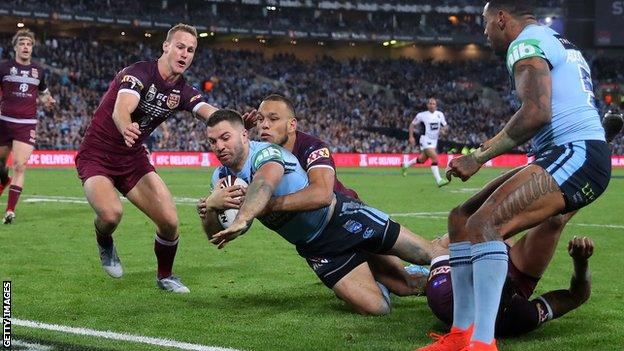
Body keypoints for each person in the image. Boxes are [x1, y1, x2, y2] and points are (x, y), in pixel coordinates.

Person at [418, 2, 611, 351]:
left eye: (485, 23)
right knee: (461, 220)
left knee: (486, 226)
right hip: (564, 152)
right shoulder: (555, 40)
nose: (485, 31)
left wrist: (478, 157)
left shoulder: (525, 44)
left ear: (502, 17)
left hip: (575, 152)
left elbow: (536, 112)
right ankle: (460, 334)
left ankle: (482, 342)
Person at [199, 109, 442, 315]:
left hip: (340, 217)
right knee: (378, 307)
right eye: (213, 141)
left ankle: (456, 263)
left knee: (426, 254)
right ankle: (377, 271)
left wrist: (243, 216)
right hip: (317, 248)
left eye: (225, 137)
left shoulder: (265, 153)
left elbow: (264, 184)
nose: (219, 146)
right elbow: (217, 235)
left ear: (243, 134)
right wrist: (211, 207)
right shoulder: (220, 178)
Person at [75, 24, 219, 293]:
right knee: (110, 214)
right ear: (166, 46)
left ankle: (165, 276)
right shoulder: (138, 73)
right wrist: (125, 126)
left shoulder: (183, 90)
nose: (185, 54)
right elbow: (121, 109)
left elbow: (208, 111)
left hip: (132, 159)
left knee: (169, 221)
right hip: (98, 155)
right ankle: (104, 240)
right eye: (180, 46)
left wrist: (233, 122)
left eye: (191, 50)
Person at [425, 213, 594, 338]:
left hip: (477, 252)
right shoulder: (522, 314)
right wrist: (581, 262)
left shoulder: (441, 295)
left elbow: (440, 248)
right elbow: (576, 296)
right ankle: (583, 185)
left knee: (481, 221)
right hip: (518, 274)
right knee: (554, 220)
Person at [0, 29, 56, 224]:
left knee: (19, 166)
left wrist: (48, 100)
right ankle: (3, 181)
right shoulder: (4, 68)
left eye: (29, 44)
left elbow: (43, 92)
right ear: (15, 47)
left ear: (32, 48)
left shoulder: (39, 70)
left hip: (26, 124)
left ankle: (9, 211)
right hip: (4, 122)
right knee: (1, 165)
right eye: (22, 43)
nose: (25, 47)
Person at [401, 98, 449, 187]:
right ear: (427, 105)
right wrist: (411, 137)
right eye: (430, 103)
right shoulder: (421, 115)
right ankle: (439, 180)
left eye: (433, 103)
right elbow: (412, 124)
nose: (431, 105)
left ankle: (406, 164)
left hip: (434, 141)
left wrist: (443, 130)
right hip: (425, 140)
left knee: (422, 159)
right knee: (435, 158)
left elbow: (445, 126)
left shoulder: (440, 114)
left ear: (436, 105)